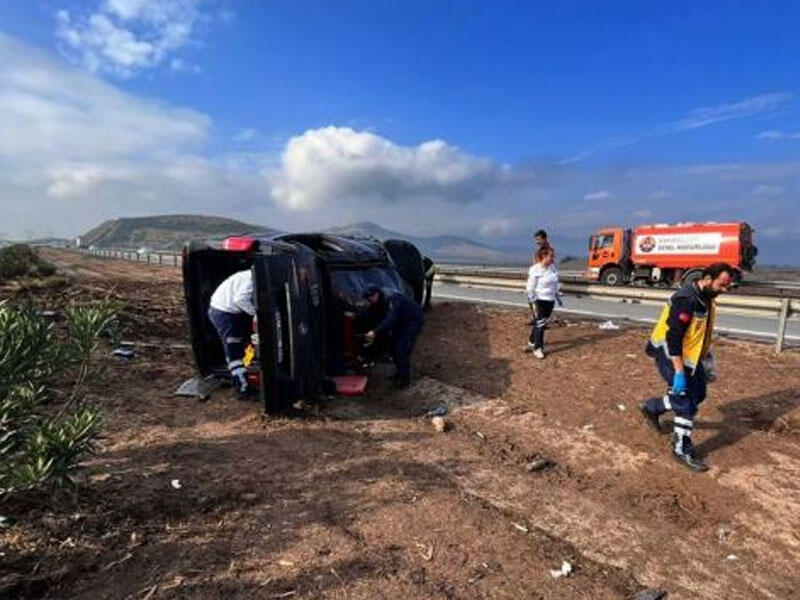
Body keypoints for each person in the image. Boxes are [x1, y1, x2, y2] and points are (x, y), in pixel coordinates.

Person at [639, 263, 734, 471]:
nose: (724, 289)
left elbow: (698, 332)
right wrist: (679, 372)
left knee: (698, 393)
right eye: (722, 284)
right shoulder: (687, 299)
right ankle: (681, 448)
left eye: (727, 286)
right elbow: (673, 338)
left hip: (691, 356)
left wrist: (705, 357)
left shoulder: (706, 298)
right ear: (708, 278)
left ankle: (652, 407)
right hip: (670, 353)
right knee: (686, 401)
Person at [362, 285, 425, 388]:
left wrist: (375, 332)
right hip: (402, 321)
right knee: (393, 346)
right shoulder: (380, 298)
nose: (370, 301)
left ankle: (404, 379)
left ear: (376, 294)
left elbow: (391, 319)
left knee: (402, 348)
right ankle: (399, 372)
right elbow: (371, 311)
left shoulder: (393, 300)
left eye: (370, 298)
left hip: (413, 321)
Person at [207, 270, 256, 399]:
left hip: (226, 311)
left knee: (238, 345)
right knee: (233, 350)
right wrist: (256, 314)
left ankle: (241, 380)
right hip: (225, 313)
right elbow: (240, 300)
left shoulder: (246, 275)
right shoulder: (250, 280)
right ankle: (242, 387)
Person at [525, 247, 560, 359]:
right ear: (543, 256)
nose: (553, 258)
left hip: (550, 300)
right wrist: (533, 301)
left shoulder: (552, 268)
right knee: (541, 324)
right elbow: (530, 288)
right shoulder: (535, 269)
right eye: (551, 256)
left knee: (542, 321)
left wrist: (557, 291)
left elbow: (554, 282)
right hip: (538, 300)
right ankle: (538, 348)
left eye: (553, 256)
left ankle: (531, 340)